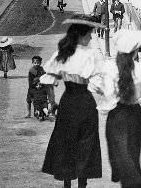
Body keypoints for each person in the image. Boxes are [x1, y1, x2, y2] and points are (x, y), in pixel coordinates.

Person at [41, 15, 105, 187]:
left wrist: (52, 102)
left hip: (67, 103)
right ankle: (82, 185)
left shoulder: (62, 53)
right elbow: (99, 85)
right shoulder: (91, 55)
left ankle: (67, 184)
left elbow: (49, 81)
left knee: (66, 143)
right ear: (82, 35)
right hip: (86, 103)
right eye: (89, 34)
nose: (91, 37)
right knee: (86, 144)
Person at [96, 29, 141, 188]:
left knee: (120, 156)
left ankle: (134, 183)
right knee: (132, 155)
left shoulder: (109, 68)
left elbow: (106, 96)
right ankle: (136, 182)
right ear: (135, 52)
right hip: (134, 116)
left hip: (116, 116)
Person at [28, 56, 51, 120]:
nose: (36, 64)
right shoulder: (31, 71)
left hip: (41, 88)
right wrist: (33, 87)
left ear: (40, 63)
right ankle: (29, 113)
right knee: (30, 101)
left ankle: (43, 112)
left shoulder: (42, 70)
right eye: (35, 63)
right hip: (33, 87)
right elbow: (30, 81)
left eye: (38, 63)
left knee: (42, 102)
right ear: (32, 63)